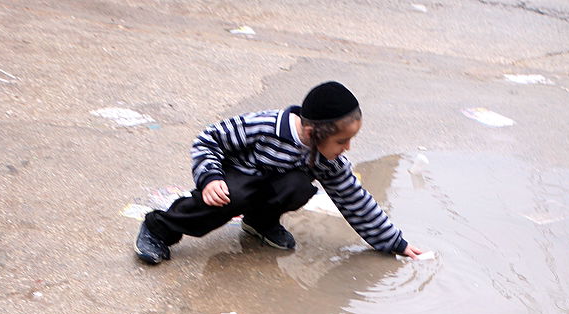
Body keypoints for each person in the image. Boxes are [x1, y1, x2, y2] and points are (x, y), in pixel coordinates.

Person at [134, 81, 423, 264]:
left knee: (299, 186)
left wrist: (395, 242)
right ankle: (159, 229)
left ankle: (260, 223)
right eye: (341, 141)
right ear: (312, 132)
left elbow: (354, 199)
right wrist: (210, 178)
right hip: (232, 181)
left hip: (265, 191)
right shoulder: (265, 126)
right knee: (233, 195)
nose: (347, 148)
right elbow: (208, 139)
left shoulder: (326, 158)